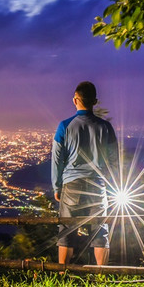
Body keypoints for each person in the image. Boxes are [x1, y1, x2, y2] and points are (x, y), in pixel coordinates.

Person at [51, 81, 118, 266]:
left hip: (72, 184)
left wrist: (56, 186)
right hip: (98, 184)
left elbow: (57, 160)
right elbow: (114, 162)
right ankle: (102, 275)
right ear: (95, 101)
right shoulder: (106, 127)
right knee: (100, 230)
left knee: (66, 231)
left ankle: (62, 274)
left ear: (75, 100)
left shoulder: (65, 126)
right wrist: (112, 186)